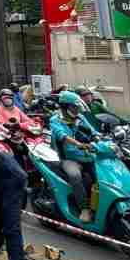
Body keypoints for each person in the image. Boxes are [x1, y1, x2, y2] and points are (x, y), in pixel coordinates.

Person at [49, 90, 95, 222]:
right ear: (65, 107)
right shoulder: (55, 120)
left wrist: (98, 137)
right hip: (66, 158)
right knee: (75, 175)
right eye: (74, 107)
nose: (76, 110)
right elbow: (63, 136)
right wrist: (78, 144)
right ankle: (84, 208)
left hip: (85, 154)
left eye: (77, 107)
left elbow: (92, 131)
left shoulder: (80, 117)